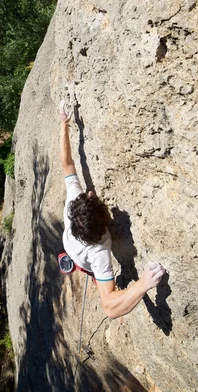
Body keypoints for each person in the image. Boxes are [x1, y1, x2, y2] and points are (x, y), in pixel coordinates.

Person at [59, 100, 166, 319]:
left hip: (71, 246)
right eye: (93, 199)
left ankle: (74, 263)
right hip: (85, 260)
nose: (90, 193)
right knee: (99, 277)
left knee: (84, 265)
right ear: (103, 225)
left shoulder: (74, 202)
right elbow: (109, 307)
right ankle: (81, 267)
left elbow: (67, 164)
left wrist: (64, 124)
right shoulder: (99, 251)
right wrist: (143, 284)